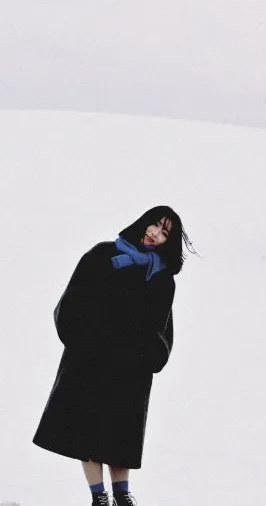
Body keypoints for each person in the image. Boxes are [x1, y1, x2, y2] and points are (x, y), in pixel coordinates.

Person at [33, 205, 196, 506]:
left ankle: (123, 495)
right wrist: (82, 343)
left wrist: (148, 355)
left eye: (164, 233)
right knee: (86, 431)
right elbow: (70, 304)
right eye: (155, 225)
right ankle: (99, 497)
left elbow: (161, 328)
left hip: (129, 369)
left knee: (120, 434)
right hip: (89, 361)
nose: (155, 234)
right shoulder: (102, 255)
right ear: (143, 222)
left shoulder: (161, 277)